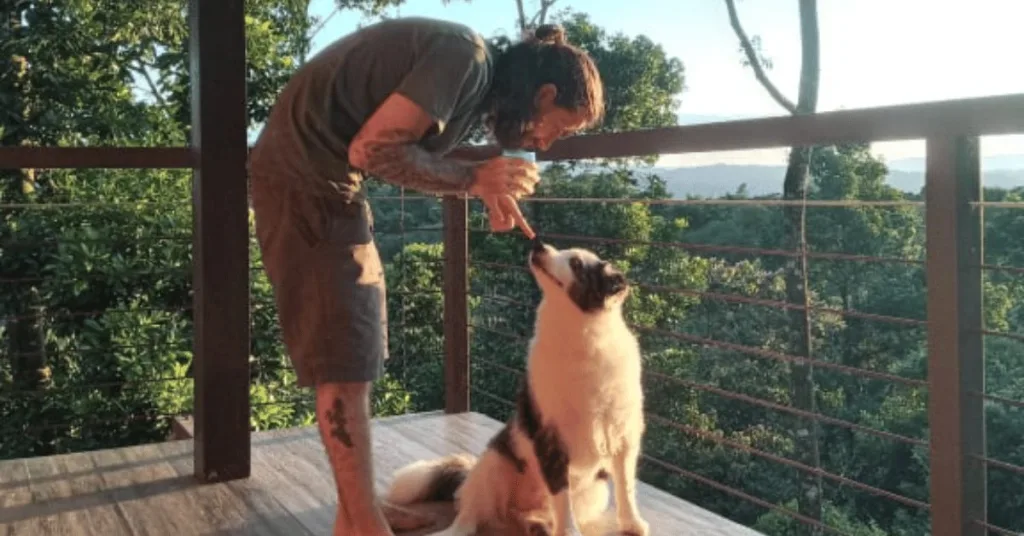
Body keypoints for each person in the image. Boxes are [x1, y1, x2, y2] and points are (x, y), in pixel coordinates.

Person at [248, 15, 604, 536]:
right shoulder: (464, 56)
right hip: (307, 188)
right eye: (559, 125)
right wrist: (472, 178)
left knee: (354, 352)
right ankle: (363, 525)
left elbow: (386, 148)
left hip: (322, 186)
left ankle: (359, 509)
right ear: (544, 93)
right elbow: (372, 150)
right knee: (345, 363)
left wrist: (480, 185)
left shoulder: (472, 81)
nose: (547, 143)